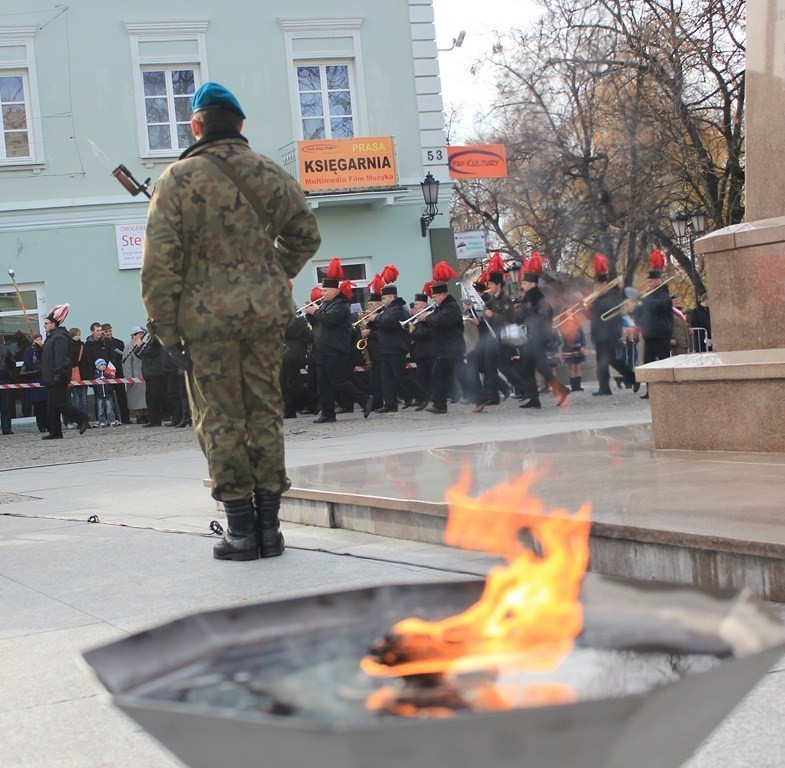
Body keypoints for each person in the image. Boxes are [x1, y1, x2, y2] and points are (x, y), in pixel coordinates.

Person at [141, 81, 321, 562]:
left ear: (195, 126)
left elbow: (160, 263)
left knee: (219, 419)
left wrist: (163, 329)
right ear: (240, 125)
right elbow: (305, 235)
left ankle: (241, 534)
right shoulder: (270, 172)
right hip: (263, 318)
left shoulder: (177, 179)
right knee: (265, 412)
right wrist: (269, 276)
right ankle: (270, 530)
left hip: (204, 323)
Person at [306, 258, 373, 423]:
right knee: (324, 383)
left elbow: (330, 319)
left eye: (325, 291)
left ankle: (364, 399)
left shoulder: (341, 305)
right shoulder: (325, 305)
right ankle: (328, 413)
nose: (322, 294)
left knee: (338, 381)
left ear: (335, 291)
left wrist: (315, 311)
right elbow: (319, 322)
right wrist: (310, 313)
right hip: (323, 350)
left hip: (335, 350)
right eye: (322, 291)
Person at [366, 265, 428, 413]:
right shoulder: (387, 309)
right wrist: (372, 325)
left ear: (391, 297)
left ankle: (423, 396)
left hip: (396, 347)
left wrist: (376, 317)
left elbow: (389, 322)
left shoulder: (398, 308)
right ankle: (390, 404)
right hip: (386, 347)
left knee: (402, 375)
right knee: (386, 378)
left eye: (384, 298)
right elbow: (383, 324)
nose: (382, 300)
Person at [517, 253, 570, 409]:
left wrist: (525, 312)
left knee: (538, 368)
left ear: (533, 284)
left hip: (539, 338)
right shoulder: (529, 298)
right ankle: (536, 398)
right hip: (532, 338)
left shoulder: (539, 298)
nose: (523, 286)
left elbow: (541, 317)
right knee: (530, 368)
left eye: (525, 283)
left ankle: (559, 391)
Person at [418, 263, 465, 414]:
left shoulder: (451, 306)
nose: (434, 299)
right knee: (441, 377)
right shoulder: (442, 307)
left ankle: (441, 404)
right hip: (444, 348)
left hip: (451, 347)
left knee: (452, 375)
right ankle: (440, 404)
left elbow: (441, 321)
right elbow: (436, 322)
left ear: (443, 294)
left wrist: (426, 318)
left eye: (436, 296)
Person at [589, 253, 638, 395]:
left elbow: (609, 307)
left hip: (609, 333)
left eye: (597, 285)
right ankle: (606, 387)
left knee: (610, 360)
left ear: (604, 284)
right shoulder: (599, 297)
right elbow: (593, 315)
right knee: (606, 361)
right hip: (600, 333)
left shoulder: (613, 294)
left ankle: (631, 378)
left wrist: (596, 300)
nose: (596, 288)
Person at [39, 304, 90, 440]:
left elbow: (61, 359)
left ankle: (82, 418)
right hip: (51, 377)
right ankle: (56, 432)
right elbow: (48, 357)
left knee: (58, 403)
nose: (44, 325)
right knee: (52, 405)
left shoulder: (59, 338)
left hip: (58, 377)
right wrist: (39, 349)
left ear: (54, 324)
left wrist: (58, 374)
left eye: (46, 323)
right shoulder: (51, 338)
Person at [634, 249, 673, 398]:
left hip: (661, 334)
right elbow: (640, 311)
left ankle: (668, 389)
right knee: (648, 364)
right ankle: (650, 391)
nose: (648, 283)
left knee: (664, 363)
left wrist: (643, 300)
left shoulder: (664, 294)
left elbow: (657, 305)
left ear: (658, 281)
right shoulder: (647, 295)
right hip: (649, 334)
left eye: (650, 281)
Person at [21, 334, 48, 432]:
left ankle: (48, 424)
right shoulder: (29, 350)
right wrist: (39, 367)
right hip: (34, 380)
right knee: (38, 406)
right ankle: (41, 426)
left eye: (41, 339)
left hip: (43, 379)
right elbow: (28, 364)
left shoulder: (44, 349)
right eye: (37, 339)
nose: (39, 341)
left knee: (46, 405)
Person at [123, 327, 149, 424]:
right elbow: (126, 363)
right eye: (139, 334)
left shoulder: (144, 345)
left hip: (144, 374)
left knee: (144, 397)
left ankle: (146, 414)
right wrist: (129, 377)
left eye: (142, 334)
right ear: (134, 335)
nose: (141, 336)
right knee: (136, 397)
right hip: (135, 374)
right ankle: (139, 415)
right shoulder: (129, 346)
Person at [92, 358, 120, 427]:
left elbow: (111, 381)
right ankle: (102, 421)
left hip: (108, 394)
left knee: (110, 409)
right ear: (97, 366)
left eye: (104, 364)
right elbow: (94, 384)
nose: (103, 366)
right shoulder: (96, 375)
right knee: (100, 410)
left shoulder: (108, 374)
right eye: (101, 364)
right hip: (100, 395)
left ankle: (112, 421)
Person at [0, 337, 14, 435]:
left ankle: (6, 428)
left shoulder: (6, 349)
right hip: (4, 379)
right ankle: (6, 429)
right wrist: (8, 373)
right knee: (5, 406)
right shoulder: (6, 349)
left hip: (4, 379)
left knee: (6, 405)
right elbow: (12, 363)